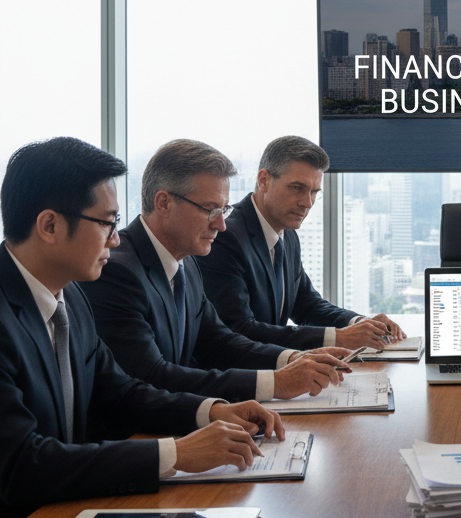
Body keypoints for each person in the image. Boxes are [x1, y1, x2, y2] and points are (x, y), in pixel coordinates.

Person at [0, 137, 284, 518]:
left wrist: (211, 411)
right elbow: (20, 464)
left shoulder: (71, 298)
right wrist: (176, 452)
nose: (115, 240)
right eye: (106, 223)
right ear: (50, 225)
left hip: (66, 517)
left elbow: (119, 391)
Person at [82, 140, 349, 405]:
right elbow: (150, 376)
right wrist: (276, 383)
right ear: (163, 203)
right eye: (210, 210)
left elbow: (219, 341)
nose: (221, 225)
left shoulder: (188, 262)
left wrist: (292, 359)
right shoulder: (118, 272)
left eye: (223, 210)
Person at [196, 136, 405, 351]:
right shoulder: (226, 237)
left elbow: (306, 305)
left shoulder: (287, 234)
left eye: (314, 192)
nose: (307, 202)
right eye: (297, 188)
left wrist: (360, 323)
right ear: (264, 180)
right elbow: (239, 330)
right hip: (243, 377)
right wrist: (338, 338)